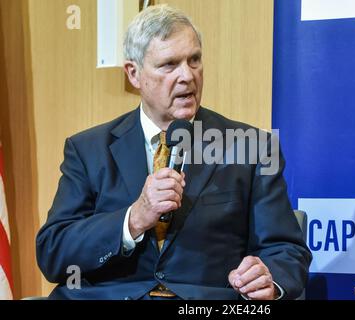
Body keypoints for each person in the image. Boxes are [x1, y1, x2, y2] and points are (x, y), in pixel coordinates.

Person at [36, 4, 311, 300]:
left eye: (194, 60)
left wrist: (268, 276)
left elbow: (286, 251)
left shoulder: (251, 146)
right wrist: (133, 219)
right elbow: (54, 252)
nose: (187, 76)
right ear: (134, 73)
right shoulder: (88, 150)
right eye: (169, 65)